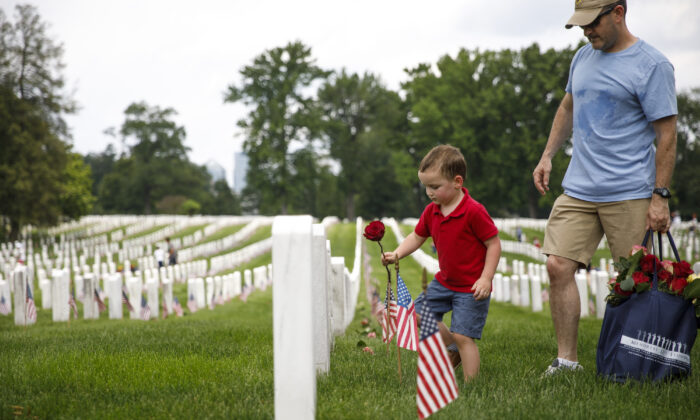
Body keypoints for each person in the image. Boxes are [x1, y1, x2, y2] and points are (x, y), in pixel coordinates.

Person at [532, 0, 677, 376]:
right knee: (557, 265)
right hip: (579, 188)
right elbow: (568, 107)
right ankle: (567, 361)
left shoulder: (653, 66)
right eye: (581, 25)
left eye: (592, 23)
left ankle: (635, 363)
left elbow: (667, 134)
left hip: (630, 191)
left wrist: (660, 196)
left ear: (618, 12)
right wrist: (548, 155)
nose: (586, 31)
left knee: (636, 280)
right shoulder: (582, 58)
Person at [382, 144, 501, 382]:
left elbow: (493, 244)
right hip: (445, 281)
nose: (429, 192)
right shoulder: (431, 211)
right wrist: (397, 253)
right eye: (426, 186)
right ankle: (451, 347)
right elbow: (417, 236)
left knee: (464, 336)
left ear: (457, 182)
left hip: (471, 287)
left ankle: (472, 384)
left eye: (435, 186)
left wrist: (486, 278)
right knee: (415, 313)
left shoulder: (473, 211)